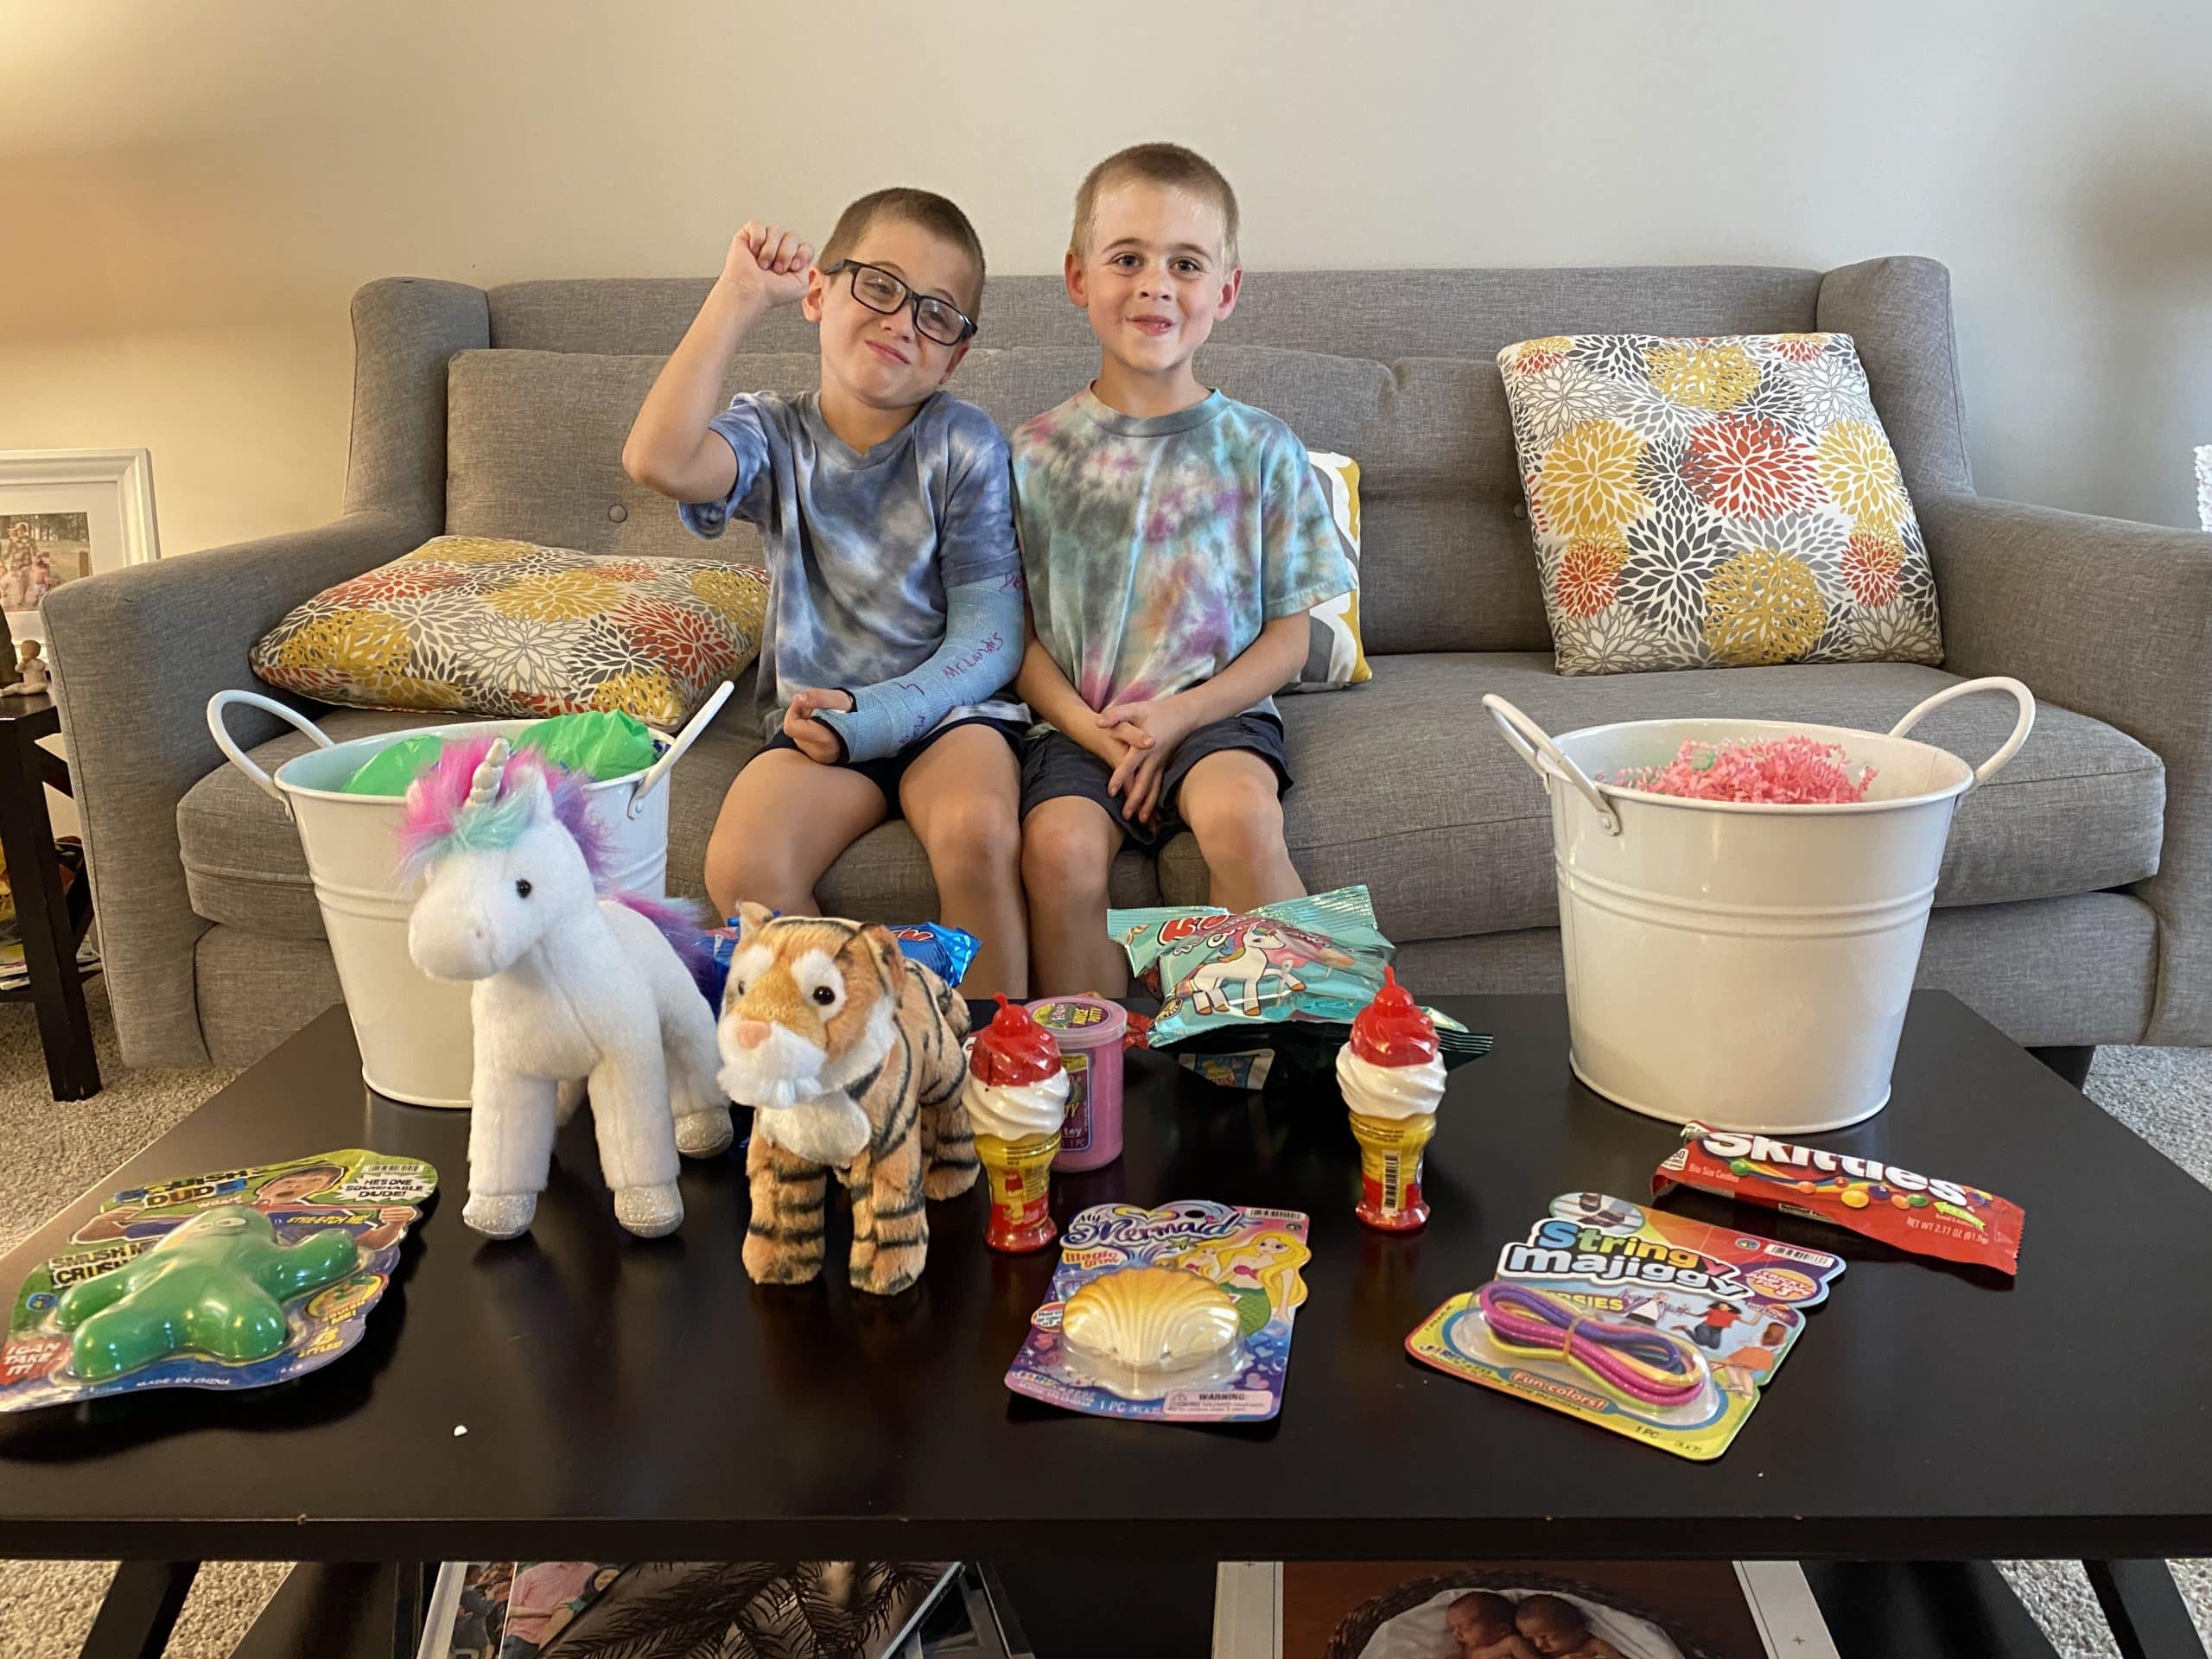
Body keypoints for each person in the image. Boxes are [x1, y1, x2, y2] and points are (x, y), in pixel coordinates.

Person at [625, 189, 1030, 996]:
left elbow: (994, 632)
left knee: (975, 830)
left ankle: (995, 1078)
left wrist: (877, 717)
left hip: (950, 717)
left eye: (937, 314)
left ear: (953, 356)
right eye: (879, 285)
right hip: (816, 726)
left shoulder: (964, 441)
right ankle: (847, 1075)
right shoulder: (770, 433)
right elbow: (658, 460)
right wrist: (737, 296)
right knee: (743, 865)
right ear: (817, 292)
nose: (903, 321)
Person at [1012, 143, 1351, 995]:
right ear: (1077, 277)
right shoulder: (1028, 455)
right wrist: (1096, 731)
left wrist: (1179, 716)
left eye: (1185, 263)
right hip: (1078, 731)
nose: (1155, 283)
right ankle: (1095, 1082)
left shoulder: (1263, 448)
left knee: (1238, 822)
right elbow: (1011, 641)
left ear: (1225, 291)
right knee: (1057, 852)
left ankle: (1293, 1050)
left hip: (1214, 717)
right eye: (1126, 258)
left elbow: (1287, 640)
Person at [1513, 1593, 1625, 1659]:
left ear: (1580, 1633)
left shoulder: (1594, 1646)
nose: (1539, 1645)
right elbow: (1511, 1642)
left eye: (1549, 1637)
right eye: (1529, 1639)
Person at [1446, 1591, 1539, 1658]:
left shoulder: (1513, 1644)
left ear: (1502, 1630)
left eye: (1466, 1629)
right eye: (1452, 1629)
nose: (1456, 1634)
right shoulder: (1466, 1652)